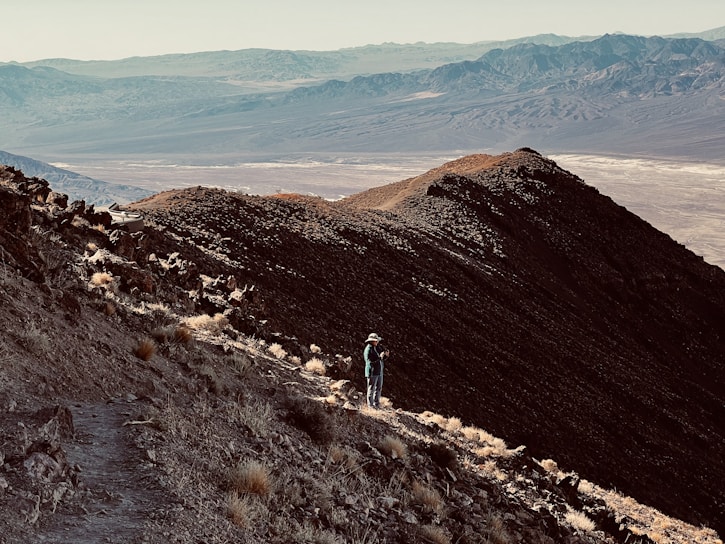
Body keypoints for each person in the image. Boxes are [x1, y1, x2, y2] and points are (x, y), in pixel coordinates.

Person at [363, 332, 389, 409]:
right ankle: (370, 406)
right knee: (371, 388)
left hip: (378, 371)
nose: (377, 342)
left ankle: (376, 404)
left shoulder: (376, 348)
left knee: (378, 388)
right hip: (372, 372)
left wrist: (385, 356)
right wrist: (380, 357)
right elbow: (370, 362)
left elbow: (380, 360)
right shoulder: (368, 350)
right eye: (376, 340)